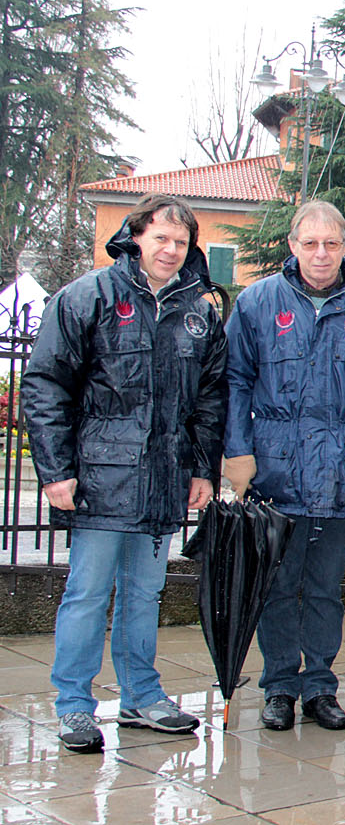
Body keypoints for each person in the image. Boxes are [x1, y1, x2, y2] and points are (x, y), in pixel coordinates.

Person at [22, 194, 227, 753]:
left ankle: (141, 695)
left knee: (145, 593)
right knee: (88, 593)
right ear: (136, 236)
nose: (170, 250)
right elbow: (46, 386)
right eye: (161, 237)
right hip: (99, 479)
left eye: (180, 241)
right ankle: (73, 704)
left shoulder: (199, 312)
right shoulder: (87, 297)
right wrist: (56, 471)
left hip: (164, 480)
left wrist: (202, 468)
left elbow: (210, 398)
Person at [222, 200, 345, 733]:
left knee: (325, 588)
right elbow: (234, 381)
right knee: (277, 586)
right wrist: (237, 452)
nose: (321, 253)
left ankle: (320, 686)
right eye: (310, 243)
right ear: (293, 246)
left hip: (342, 474)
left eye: (331, 243)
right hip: (275, 473)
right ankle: (280, 685)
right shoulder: (258, 302)